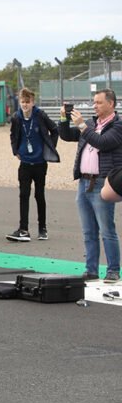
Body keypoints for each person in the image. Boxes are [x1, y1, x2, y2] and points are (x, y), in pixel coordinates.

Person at [59, 89, 122, 282]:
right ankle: (91, 269)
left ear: (111, 104)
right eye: (94, 102)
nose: (94, 106)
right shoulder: (91, 124)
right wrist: (64, 119)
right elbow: (66, 135)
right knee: (88, 230)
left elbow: (102, 143)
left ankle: (113, 270)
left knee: (107, 230)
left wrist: (82, 126)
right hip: (84, 181)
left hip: (103, 182)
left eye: (99, 102)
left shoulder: (118, 126)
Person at [6, 88, 59, 242]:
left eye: (27, 102)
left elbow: (55, 130)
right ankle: (23, 229)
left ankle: (42, 229)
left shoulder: (40, 115)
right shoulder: (17, 117)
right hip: (24, 163)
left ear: (33, 102)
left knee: (39, 195)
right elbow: (13, 135)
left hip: (40, 163)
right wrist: (15, 150)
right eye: (22, 102)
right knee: (23, 195)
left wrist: (49, 148)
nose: (25, 105)